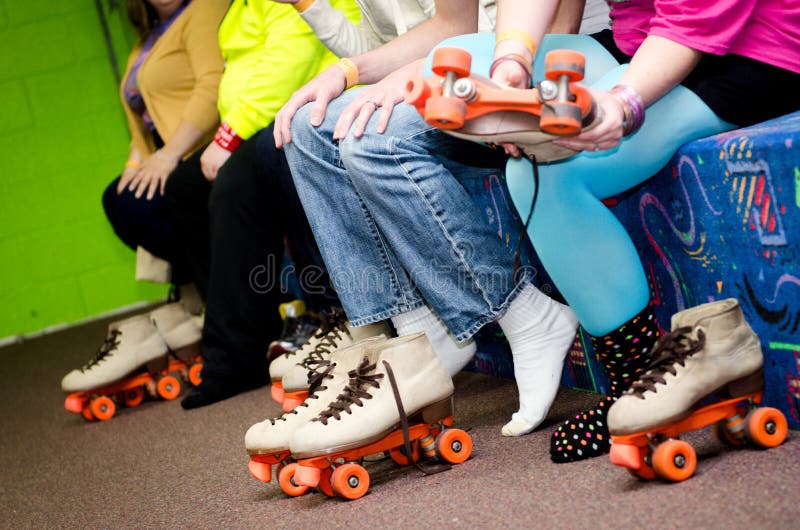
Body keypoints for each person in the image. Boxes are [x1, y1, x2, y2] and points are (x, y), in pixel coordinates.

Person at [262, 0, 611, 441]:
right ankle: (415, 329)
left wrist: (415, 75)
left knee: (370, 141)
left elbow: (500, 29)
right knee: (307, 130)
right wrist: (347, 71)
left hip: (547, 55)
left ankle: (526, 316)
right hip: (463, 61)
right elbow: (446, 25)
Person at [472, 0, 800, 462]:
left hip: (753, 51)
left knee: (558, 173)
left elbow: (698, 17)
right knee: (532, 165)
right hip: (648, 47)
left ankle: (639, 385)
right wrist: (511, 63)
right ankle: (638, 381)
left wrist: (624, 102)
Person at [163, 0, 360, 409]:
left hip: (301, 111)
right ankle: (247, 331)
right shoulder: (238, 8)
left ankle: (238, 355)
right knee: (183, 188)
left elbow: (290, 62)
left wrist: (227, 137)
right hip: (265, 120)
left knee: (238, 184)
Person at [61, 0, 228, 396]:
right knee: (120, 199)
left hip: (202, 151)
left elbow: (212, 84)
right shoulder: (148, 39)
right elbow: (141, 122)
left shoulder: (203, 9)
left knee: (150, 205)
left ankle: (216, 303)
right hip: (166, 152)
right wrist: (137, 167)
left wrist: (169, 155)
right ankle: (198, 303)